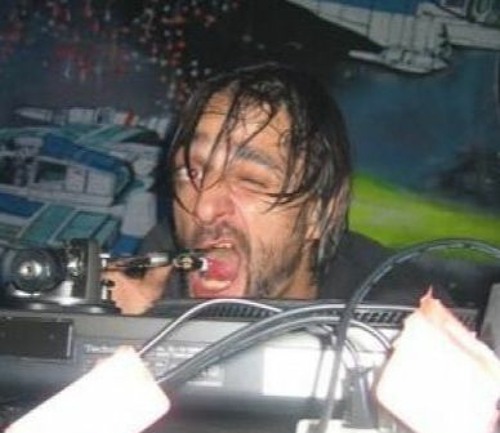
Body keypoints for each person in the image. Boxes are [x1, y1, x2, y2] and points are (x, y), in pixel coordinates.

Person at [104, 62, 443, 315]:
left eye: (250, 180)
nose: (203, 206)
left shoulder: (399, 320)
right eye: (191, 172)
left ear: (320, 214)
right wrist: (125, 334)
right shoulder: (151, 282)